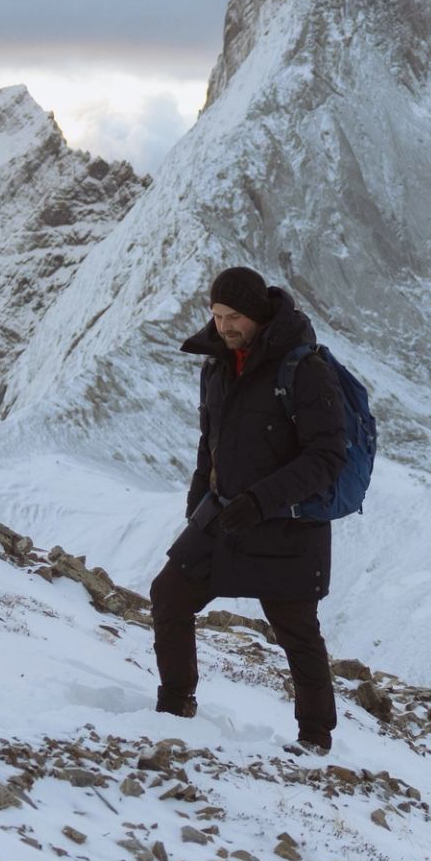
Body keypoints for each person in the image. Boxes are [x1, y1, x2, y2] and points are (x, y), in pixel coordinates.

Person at [151, 267, 348, 754]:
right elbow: (210, 440)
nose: (223, 327)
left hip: (286, 527)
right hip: (223, 519)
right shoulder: (217, 364)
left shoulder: (304, 369)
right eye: (216, 316)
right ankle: (176, 710)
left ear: (258, 312)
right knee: (168, 595)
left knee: (298, 635)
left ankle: (316, 741)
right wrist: (199, 502)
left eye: (234, 316)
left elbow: (327, 456)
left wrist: (261, 501)